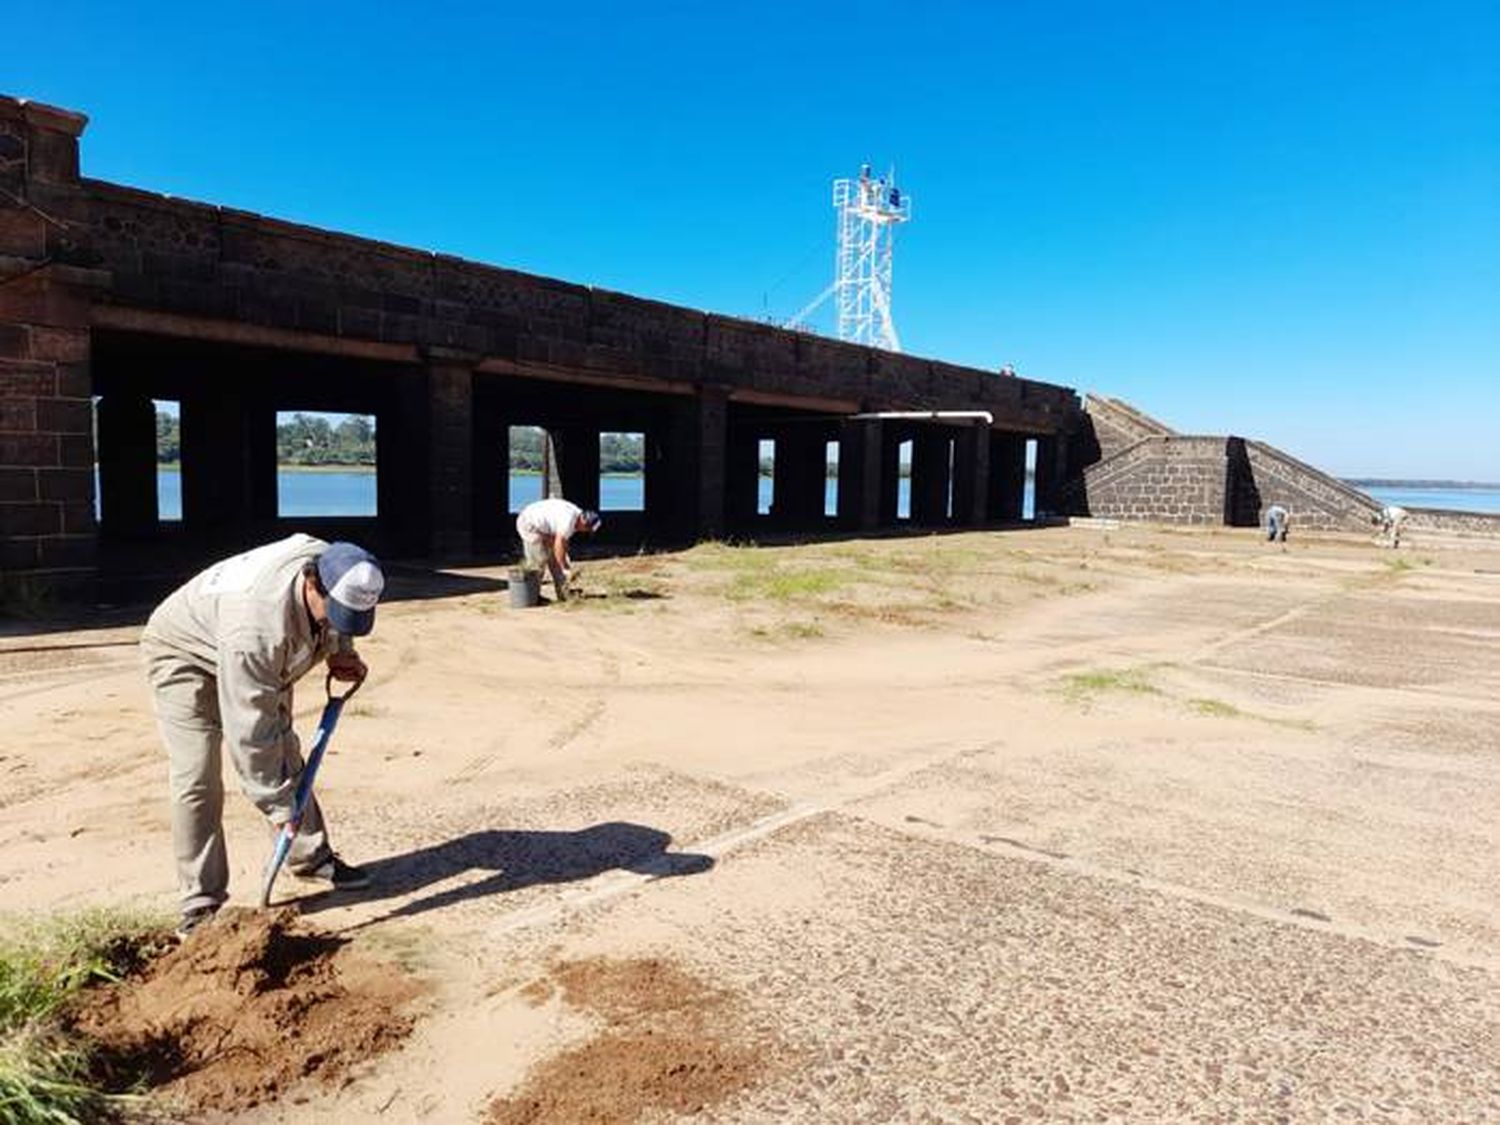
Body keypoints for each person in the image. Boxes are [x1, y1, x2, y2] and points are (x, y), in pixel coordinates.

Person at [139, 534, 384, 936]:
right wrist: (278, 807)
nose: (337, 621)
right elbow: (250, 733)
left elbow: (339, 612)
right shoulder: (255, 631)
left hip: (249, 641)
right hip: (182, 652)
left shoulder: (339, 564)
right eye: (334, 613)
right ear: (311, 583)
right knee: (197, 775)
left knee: (285, 749)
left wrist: (342, 647)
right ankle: (200, 901)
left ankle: (309, 858)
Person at [515, 498, 602, 602]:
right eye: (587, 530)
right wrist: (564, 567)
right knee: (538, 562)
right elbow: (559, 543)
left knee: (556, 560)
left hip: (544, 527)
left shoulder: (577, 516)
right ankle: (532, 597)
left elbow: (563, 543)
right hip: (529, 524)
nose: (585, 532)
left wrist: (565, 561)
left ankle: (563, 593)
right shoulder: (568, 521)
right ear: (584, 523)